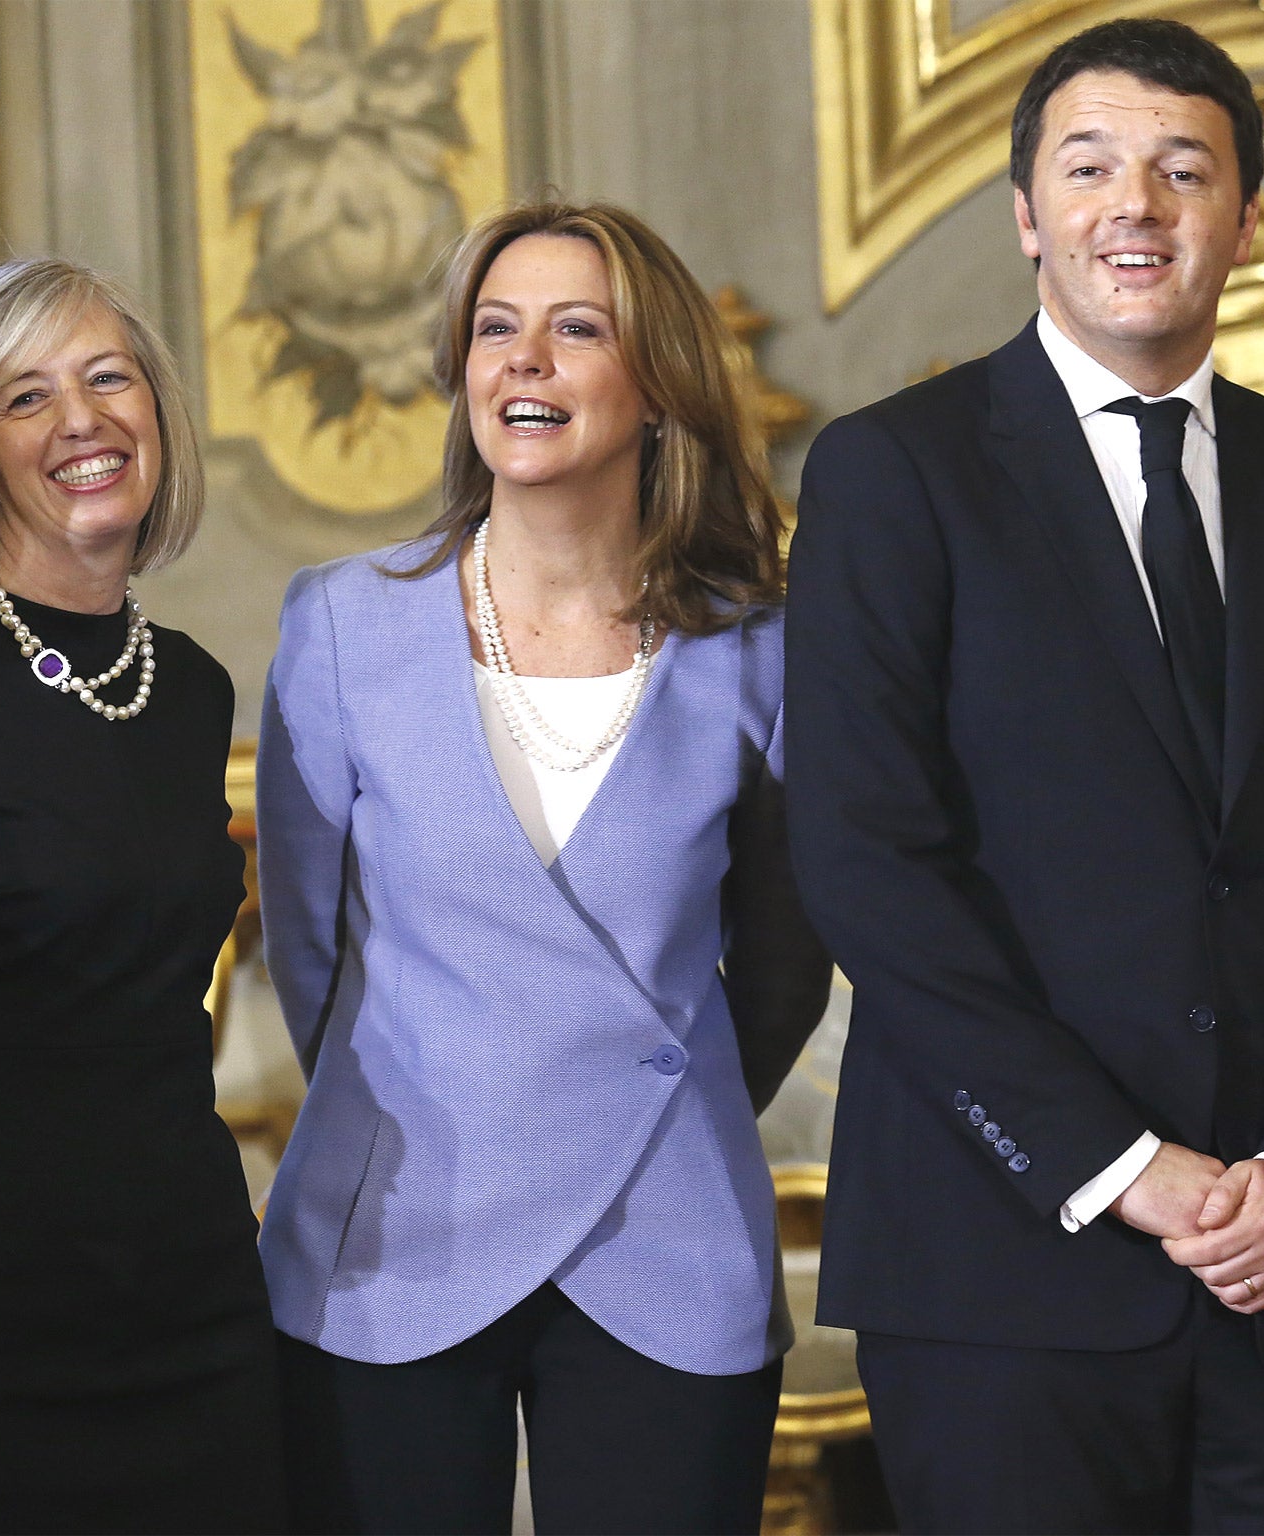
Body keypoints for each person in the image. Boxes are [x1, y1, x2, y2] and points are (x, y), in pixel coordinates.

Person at [786, 18, 1264, 1534]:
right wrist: (1123, 1166)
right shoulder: (896, 473)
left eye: (1181, 169)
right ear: (1027, 213)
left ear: (1245, 220)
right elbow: (867, 864)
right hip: (1004, 1269)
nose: (1134, 204)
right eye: (1088, 167)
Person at [257, 201, 831, 1534]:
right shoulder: (342, 624)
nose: (525, 361)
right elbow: (312, 960)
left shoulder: (759, 649)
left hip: (665, 1237)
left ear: (659, 385)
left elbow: (787, 964)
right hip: (392, 1230)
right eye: (496, 331)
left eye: (577, 330)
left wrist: (638, 1102)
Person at [0, 258, 284, 1533]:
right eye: (25, 398)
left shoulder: (192, 688)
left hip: (197, 1310)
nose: (83, 421)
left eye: (108, 378)